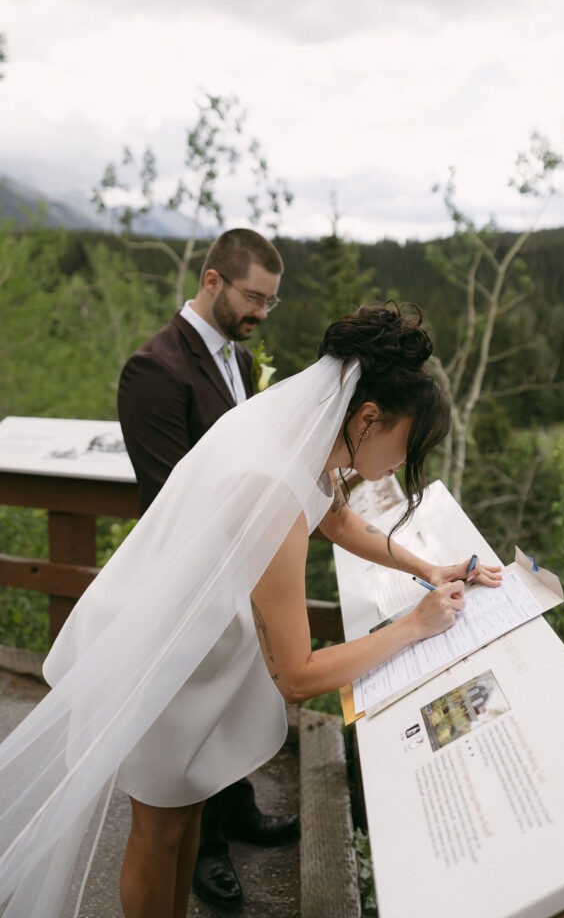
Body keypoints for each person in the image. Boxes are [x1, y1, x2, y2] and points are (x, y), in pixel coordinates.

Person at [0, 303, 502, 918]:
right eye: (408, 443)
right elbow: (297, 674)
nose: (406, 461)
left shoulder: (302, 437)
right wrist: (415, 625)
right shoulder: (271, 492)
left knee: (186, 815)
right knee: (158, 833)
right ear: (369, 417)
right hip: (159, 649)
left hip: (197, 643)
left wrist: (425, 567)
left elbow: (337, 516)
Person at [117, 227, 295, 909]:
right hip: (178, 595)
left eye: (270, 303)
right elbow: (171, 500)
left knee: (214, 736)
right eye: (253, 297)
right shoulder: (154, 369)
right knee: (169, 783)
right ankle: (210, 852)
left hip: (230, 585)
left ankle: (228, 816)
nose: (260, 313)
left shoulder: (240, 364)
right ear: (212, 280)